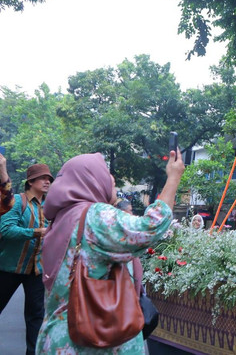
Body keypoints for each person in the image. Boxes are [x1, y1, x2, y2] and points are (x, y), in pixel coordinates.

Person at [36, 150, 184, 353]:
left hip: (59, 338)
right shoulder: (94, 216)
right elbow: (151, 226)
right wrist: (174, 177)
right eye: (105, 174)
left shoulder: (63, 218)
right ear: (91, 180)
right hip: (94, 341)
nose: (111, 180)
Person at [0, 163, 54, 355]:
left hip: (37, 270)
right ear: (30, 182)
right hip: (9, 268)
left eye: (49, 178)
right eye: (42, 178)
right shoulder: (17, 201)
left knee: (36, 318)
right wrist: (38, 232)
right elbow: (6, 230)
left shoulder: (50, 206)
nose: (47, 181)